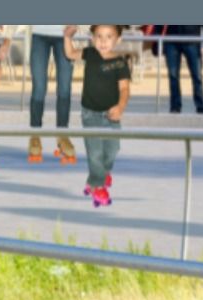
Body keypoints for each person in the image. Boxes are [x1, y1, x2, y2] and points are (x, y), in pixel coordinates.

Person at [65, 25, 130, 207]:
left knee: (112, 150)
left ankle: (97, 176)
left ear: (118, 40)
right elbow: (70, 54)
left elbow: (124, 89)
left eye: (109, 37)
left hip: (111, 115)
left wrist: (120, 107)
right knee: (95, 154)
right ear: (92, 38)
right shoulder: (90, 54)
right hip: (90, 114)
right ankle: (98, 186)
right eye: (99, 36)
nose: (103, 41)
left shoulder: (119, 63)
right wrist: (67, 37)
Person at [26, 24, 78, 164]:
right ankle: (35, 136)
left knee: (65, 88)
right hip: (39, 33)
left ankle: (63, 135)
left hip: (64, 33)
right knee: (39, 87)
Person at [153, 24, 203, 113]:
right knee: (173, 76)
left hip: (192, 40)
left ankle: (201, 106)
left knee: (197, 75)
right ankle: (175, 107)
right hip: (172, 40)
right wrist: (156, 37)